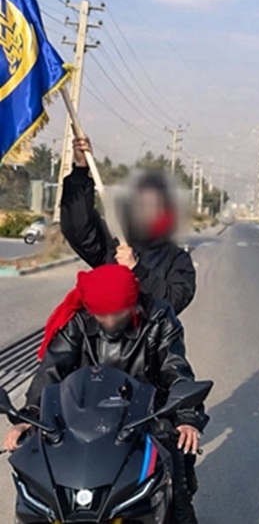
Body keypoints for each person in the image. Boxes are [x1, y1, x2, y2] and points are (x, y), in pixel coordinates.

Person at [2, 264, 207, 524]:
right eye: (102, 315)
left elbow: (175, 368)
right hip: (84, 409)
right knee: (42, 463)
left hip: (146, 410)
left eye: (117, 313)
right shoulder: (78, 320)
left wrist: (187, 417)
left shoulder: (159, 318)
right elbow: (51, 370)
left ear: (133, 304)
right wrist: (28, 417)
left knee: (175, 470)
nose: (110, 321)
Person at [61, 137, 196, 315]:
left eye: (151, 205)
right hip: (108, 332)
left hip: (150, 333)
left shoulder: (176, 259)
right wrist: (81, 169)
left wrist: (137, 269)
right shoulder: (115, 244)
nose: (144, 211)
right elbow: (79, 229)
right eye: (139, 204)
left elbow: (174, 302)